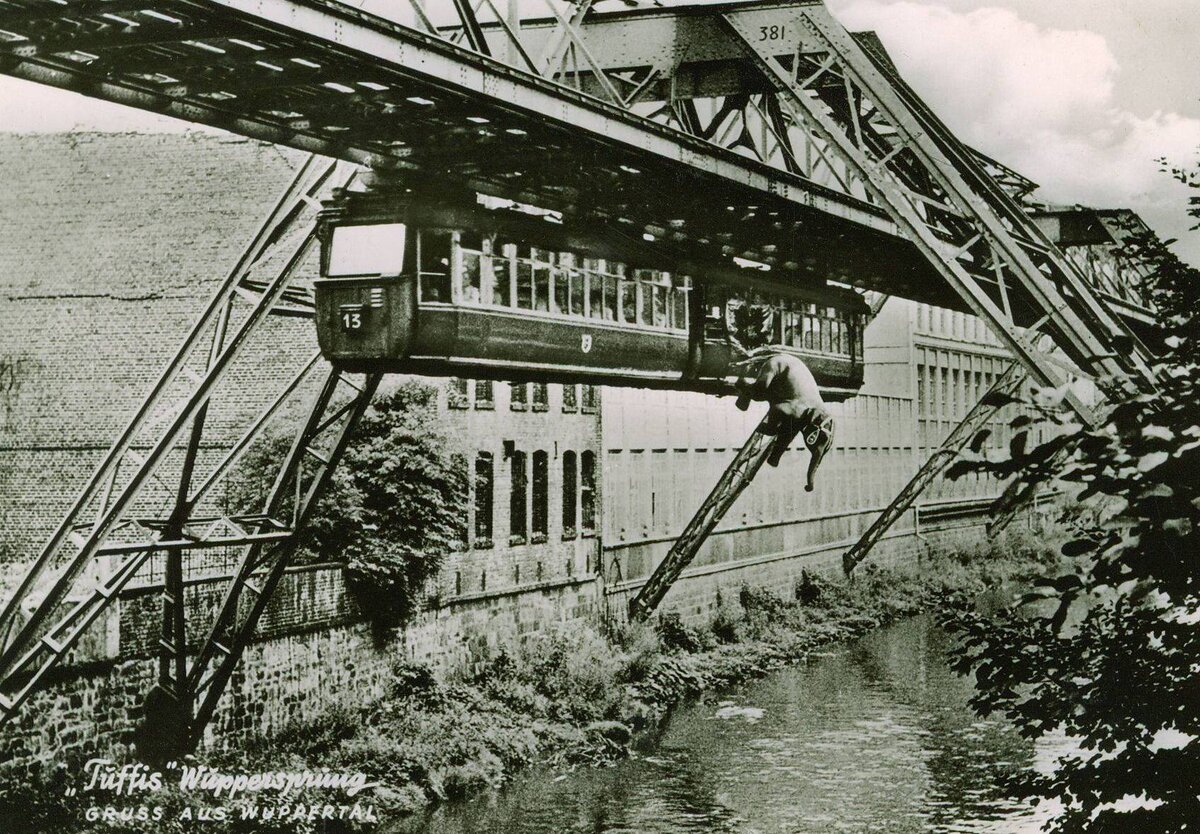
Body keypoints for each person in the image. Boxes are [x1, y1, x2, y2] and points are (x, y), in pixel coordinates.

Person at [733, 352, 835, 490]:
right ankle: (743, 385)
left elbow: (790, 428)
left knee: (791, 424)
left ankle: (775, 455)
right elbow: (779, 409)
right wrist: (771, 427)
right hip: (779, 367)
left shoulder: (811, 411)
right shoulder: (803, 409)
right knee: (760, 392)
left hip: (784, 384)